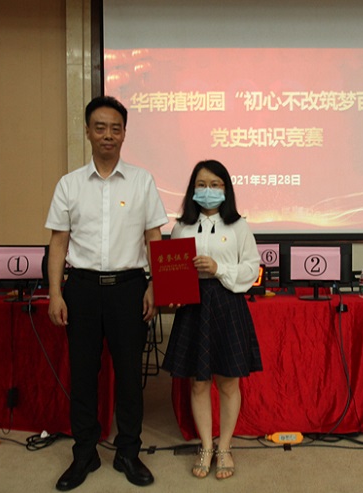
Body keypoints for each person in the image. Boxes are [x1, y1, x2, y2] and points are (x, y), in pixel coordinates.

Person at [45, 95, 168, 491]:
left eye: (116, 128)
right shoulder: (69, 184)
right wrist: (55, 293)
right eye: (100, 127)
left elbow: (154, 237)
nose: (108, 135)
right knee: (83, 375)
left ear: (124, 133)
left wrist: (156, 284)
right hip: (81, 290)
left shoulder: (142, 181)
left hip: (129, 289)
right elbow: (58, 243)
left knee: (130, 376)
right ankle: (85, 453)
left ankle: (128, 452)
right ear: (87, 132)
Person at [162, 159, 262, 480]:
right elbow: (172, 271)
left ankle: (225, 446)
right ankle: (206, 446)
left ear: (226, 189)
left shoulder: (238, 226)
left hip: (227, 303)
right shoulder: (181, 227)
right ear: (193, 189)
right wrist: (172, 290)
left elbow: (251, 268)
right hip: (193, 306)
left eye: (215, 185)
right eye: (202, 184)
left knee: (228, 381)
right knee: (198, 382)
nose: (208, 190)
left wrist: (220, 269)